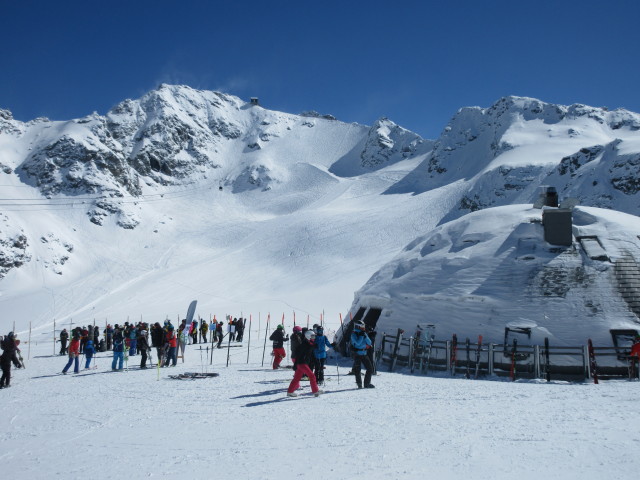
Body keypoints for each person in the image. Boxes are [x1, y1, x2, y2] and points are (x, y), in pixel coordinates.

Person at [286, 330, 323, 397]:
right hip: (302, 363)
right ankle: (315, 391)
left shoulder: (310, 344)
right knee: (312, 376)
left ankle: (290, 392)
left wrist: (316, 363)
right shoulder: (304, 345)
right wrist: (295, 365)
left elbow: (311, 354)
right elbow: (298, 354)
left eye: (314, 336)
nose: (314, 338)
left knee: (297, 378)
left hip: (303, 363)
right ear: (308, 337)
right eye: (312, 336)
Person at [350, 321, 375, 389]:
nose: (364, 328)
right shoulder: (353, 334)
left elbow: (369, 342)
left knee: (370, 369)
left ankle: (367, 383)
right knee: (357, 369)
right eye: (362, 327)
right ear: (358, 326)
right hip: (357, 354)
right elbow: (358, 343)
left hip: (364, 353)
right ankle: (359, 384)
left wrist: (364, 336)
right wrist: (361, 336)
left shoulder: (363, 333)